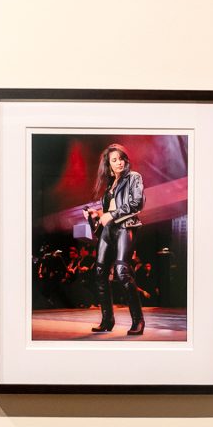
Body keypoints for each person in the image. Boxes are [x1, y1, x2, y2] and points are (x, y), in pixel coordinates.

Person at [82, 143, 146, 335]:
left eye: (121, 158)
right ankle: (107, 320)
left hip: (126, 228)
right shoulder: (111, 184)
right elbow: (108, 211)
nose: (119, 162)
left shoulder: (134, 177)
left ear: (126, 160)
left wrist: (112, 215)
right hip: (108, 230)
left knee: (122, 271)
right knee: (100, 272)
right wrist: (96, 212)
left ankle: (138, 321)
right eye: (114, 160)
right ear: (109, 165)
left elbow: (137, 203)